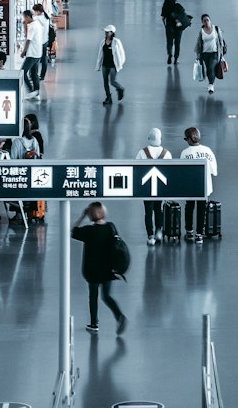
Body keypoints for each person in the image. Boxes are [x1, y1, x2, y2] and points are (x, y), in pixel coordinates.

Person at [71, 202, 127, 336]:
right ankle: (119, 316)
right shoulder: (111, 227)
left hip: (92, 270)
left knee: (93, 296)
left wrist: (82, 216)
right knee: (107, 296)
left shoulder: (89, 231)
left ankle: (94, 324)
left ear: (90, 214)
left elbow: (73, 232)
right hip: (108, 268)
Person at [179, 125, 218, 242]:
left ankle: (189, 231)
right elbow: (214, 171)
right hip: (204, 186)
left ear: (189, 139)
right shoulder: (207, 151)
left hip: (191, 186)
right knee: (202, 208)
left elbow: (181, 172)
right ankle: (199, 234)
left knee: (189, 207)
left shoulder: (185, 153)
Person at [137, 128, 171, 244]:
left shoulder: (142, 152)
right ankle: (159, 232)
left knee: (148, 211)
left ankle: (150, 236)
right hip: (160, 188)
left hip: (146, 188)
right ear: (160, 139)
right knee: (158, 209)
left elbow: (135, 169)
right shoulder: (166, 153)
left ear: (149, 139)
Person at [195, 14, 227, 93]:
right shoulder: (201, 31)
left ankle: (211, 85)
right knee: (209, 69)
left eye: (207, 20)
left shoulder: (216, 29)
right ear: (202, 22)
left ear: (210, 20)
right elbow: (198, 44)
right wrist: (198, 55)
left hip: (215, 53)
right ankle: (210, 80)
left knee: (211, 67)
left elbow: (221, 41)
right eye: (204, 20)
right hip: (205, 54)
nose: (206, 22)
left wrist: (222, 53)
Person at [96, 24, 126, 105]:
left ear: (112, 33)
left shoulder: (116, 42)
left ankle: (120, 89)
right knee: (105, 83)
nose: (106, 33)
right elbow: (100, 54)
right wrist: (98, 65)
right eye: (105, 32)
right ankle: (108, 98)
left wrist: (120, 63)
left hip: (113, 65)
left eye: (107, 32)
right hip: (105, 65)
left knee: (112, 82)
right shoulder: (102, 42)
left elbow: (122, 53)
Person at [161, 0, 190, 65]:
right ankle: (176, 58)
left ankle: (169, 54)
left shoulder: (165, 7)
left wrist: (166, 25)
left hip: (169, 26)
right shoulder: (178, 6)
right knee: (177, 43)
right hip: (178, 27)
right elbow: (184, 15)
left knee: (169, 42)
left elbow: (163, 18)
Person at [21, 11, 44, 97]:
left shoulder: (32, 27)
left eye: (24, 18)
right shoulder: (37, 24)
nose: (24, 20)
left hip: (32, 53)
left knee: (23, 72)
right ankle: (36, 91)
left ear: (27, 17)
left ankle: (31, 89)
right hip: (38, 52)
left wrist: (24, 51)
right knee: (34, 73)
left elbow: (28, 39)